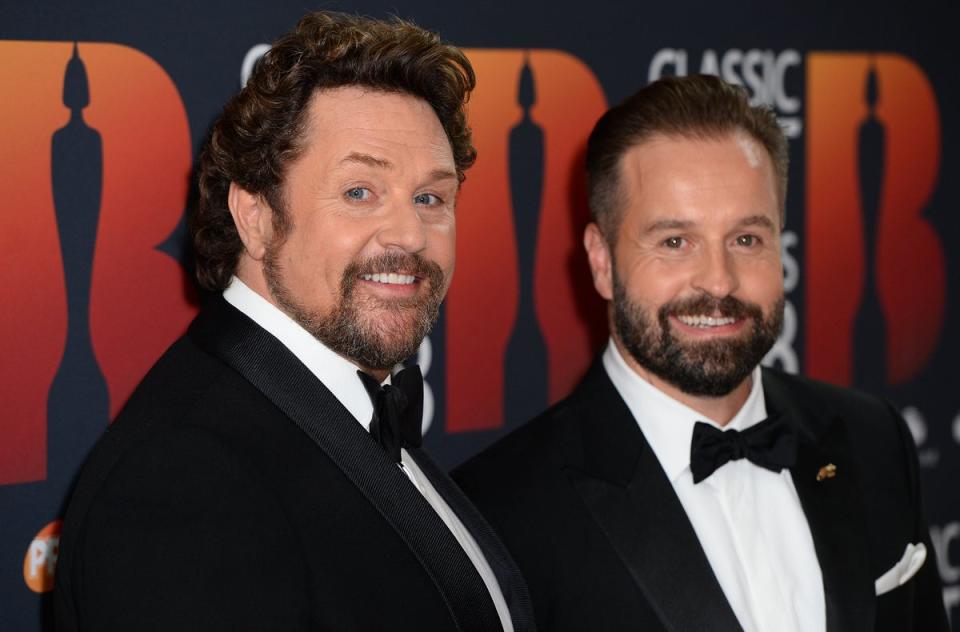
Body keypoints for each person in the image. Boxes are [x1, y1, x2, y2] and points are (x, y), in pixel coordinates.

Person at [54, 11, 533, 632]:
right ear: (254, 216)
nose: (411, 234)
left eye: (431, 198)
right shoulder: (183, 480)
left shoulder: (352, 409)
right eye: (360, 191)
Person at [454, 75, 948, 632]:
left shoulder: (872, 437)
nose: (718, 281)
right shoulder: (498, 514)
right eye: (674, 242)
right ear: (601, 261)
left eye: (746, 239)